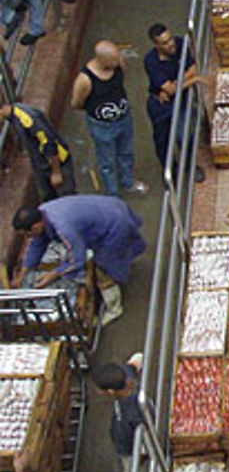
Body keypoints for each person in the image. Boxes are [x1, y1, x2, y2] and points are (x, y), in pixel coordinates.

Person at [14, 195, 146, 325]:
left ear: (36, 227)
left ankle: (114, 309)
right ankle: (122, 263)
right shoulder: (43, 213)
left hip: (114, 223)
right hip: (111, 207)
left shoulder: (63, 228)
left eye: (28, 234)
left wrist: (53, 275)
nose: (29, 237)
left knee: (103, 271)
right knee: (116, 254)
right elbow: (37, 244)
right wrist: (22, 275)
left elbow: (77, 260)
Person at [71, 40, 147, 197]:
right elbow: (76, 103)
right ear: (101, 60)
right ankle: (112, 194)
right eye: (113, 59)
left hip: (123, 118)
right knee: (107, 161)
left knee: (126, 153)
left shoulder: (117, 65)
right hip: (102, 126)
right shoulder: (85, 79)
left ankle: (128, 181)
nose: (118, 61)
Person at [143, 24, 206, 181]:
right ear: (156, 45)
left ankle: (189, 167)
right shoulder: (151, 62)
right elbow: (171, 89)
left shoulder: (180, 43)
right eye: (164, 42)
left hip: (181, 100)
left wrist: (176, 84)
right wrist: (192, 80)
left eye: (170, 39)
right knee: (163, 141)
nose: (170, 44)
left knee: (185, 135)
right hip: (161, 105)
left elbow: (192, 68)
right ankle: (170, 172)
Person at [91, 355, 147, 472]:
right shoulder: (126, 377)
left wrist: (141, 454)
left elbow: (145, 437)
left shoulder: (132, 412)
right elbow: (138, 358)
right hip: (127, 445)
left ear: (110, 391)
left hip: (133, 452)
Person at [0, 102, 76, 201]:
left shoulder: (27, 119)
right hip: (42, 165)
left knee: (67, 199)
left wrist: (56, 172)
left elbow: (48, 143)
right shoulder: (14, 116)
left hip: (57, 164)